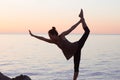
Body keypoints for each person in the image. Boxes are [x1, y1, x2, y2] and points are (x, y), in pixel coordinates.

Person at [29, 9, 90, 80]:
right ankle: (82, 18)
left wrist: (79, 22)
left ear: (54, 34)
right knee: (76, 68)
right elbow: (43, 38)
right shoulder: (54, 42)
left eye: (50, 36)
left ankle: (82, 18)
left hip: (77, 46)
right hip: (74, 51)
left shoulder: (62, 35)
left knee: (87, 32)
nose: (49, 37)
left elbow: (71, 29)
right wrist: (33, 35)